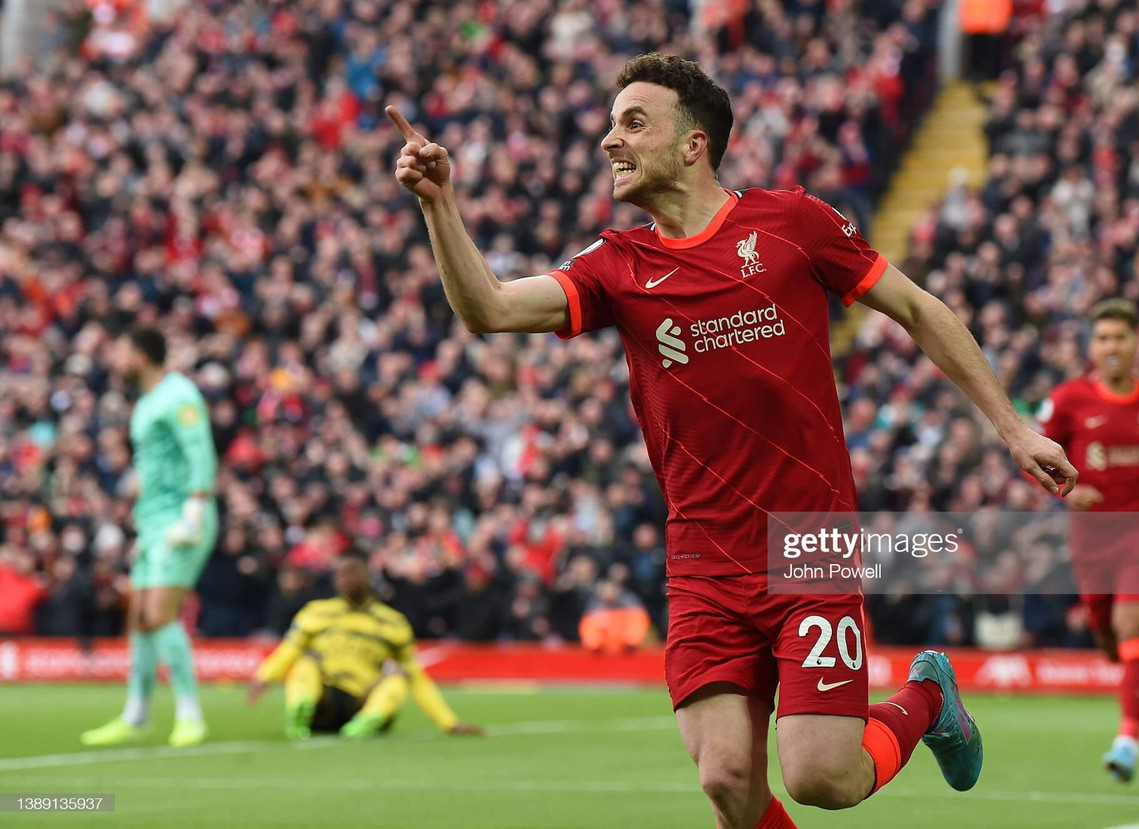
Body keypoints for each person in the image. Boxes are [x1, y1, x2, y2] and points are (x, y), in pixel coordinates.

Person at [388, 53, 1075, 828]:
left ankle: (926, 698)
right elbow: (491, 309)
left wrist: (1013, 426)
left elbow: (917, 308)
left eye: (633, 122)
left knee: (822, 777)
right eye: (612, 124)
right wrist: (439, 205)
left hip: (808, 544)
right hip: (703, 556)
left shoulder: (793, 224)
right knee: (728, 782)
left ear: (694, 144)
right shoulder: (619, 264)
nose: (611, 141)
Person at [1038, 298, 1139, 783]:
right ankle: (1123, 660)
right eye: (1104, 338)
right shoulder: (1069, 400)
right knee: (1109, 634)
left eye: (1121, 338)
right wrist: (1066, 491)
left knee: (1133, 623)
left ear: (1138, 344)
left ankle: (1127, 741)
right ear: (1093, 346)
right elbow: (1038, 460)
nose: (1112, 346)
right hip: (1091, 540)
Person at [81, 327, 219, 748]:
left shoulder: (179, 395)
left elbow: (200, 452)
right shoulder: (145, 402)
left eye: (122, 348)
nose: (116, 357)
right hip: (154, 519)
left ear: (141, 354)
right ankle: (136, 714)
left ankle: (190, 714)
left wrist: (194, 509)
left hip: (183, 515)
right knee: (139, 615)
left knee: (160, 612)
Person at [246, 553, 484, 740]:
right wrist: (264, 676)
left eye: (351, 574)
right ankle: (298, 713)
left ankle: (367, 722)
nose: (345, 580)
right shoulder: (317, 612)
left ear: (367, 578)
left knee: (400, 676)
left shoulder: (392, 622)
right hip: (325, 699)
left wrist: (448, 722)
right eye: (340, 575)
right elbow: (289, 650)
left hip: (361, 699)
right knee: (306, 661)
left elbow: (417, 677)